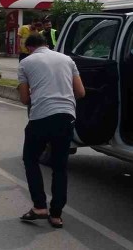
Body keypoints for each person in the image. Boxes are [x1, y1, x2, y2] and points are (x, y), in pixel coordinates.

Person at [18, 33, 86, 229]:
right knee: (60, 166)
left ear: (30, 48)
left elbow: (24, 99)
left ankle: (40, 206)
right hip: (66, 117)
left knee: (30, 158)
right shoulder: (67, 59)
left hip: (41, 117)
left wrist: (35, 92)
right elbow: (81, 92)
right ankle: (56, 215)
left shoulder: (26, 63)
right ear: (46, 44)